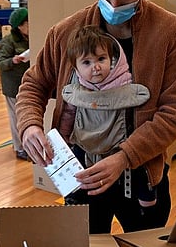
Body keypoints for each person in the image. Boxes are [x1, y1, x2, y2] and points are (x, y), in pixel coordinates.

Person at [16, 0, 176, 234]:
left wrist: (125, 157)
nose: (114, 3)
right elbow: (34, 84)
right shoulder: (65, 32)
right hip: (79, 168)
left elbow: (175, 111)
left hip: (139, 171)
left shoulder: (171, 33)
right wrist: (29, 125)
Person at [60, 25, 155, 208]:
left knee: (139, 159)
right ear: (76, 67)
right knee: (75, 164)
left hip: (118, 142)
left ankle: (146, 192)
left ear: (112, 60)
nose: (95, 67)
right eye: (86, 63)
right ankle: (73, 195)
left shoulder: (124, 83)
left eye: (101, 59)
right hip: (85, 141)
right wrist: (64, 136)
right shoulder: (77, 90)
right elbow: (68, 114)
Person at [0, 8, 30, 160]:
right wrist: (14, 60)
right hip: (12, 85)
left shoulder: (30, 38)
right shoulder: (8, 41)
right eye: (28, 23)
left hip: (26, 83)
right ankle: (19, 148)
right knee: (16, 117)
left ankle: (22, 143)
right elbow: (2, 63)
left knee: (26, 115)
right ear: (20, 26)